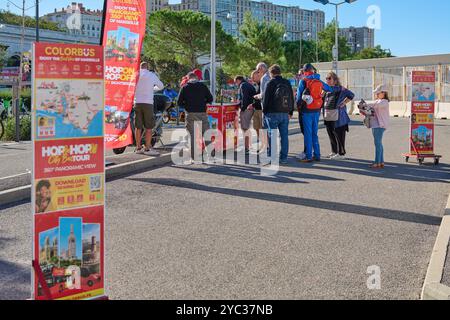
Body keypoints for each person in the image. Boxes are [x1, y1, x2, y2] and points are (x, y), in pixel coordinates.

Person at [296, 63, 334, 163]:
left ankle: (308, 156)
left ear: (304, 71)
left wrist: (298, 108)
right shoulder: (319, 81)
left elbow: (299, 97)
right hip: (317, 110)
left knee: (308, 134)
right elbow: (330, 89)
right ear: (313, 70)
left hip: (306, 110)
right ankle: (317, 155)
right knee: (314, 133)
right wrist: (320, 96)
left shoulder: (303, 81)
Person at [177, 72, 214, 164]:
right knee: (206, 134)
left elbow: (179, 102)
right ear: (196, 78)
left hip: (190, 114)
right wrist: (203, 101)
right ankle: (211, 156)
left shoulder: (185, 87)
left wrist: (187, 105)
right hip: (202, 113)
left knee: (192, 136)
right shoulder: (203, 86)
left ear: (188, 78)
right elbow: (210, 99)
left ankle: (194, 158)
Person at [262, 65, 295, 165]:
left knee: (272, 136)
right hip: (285, 113)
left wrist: (265, 111)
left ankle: (272, 158)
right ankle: (283, 158)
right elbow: (291, 98)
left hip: (272, 113)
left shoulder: (270, 83)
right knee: (284, 136)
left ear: (271, 73)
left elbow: (265, 99)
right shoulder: (287, 82)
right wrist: (291, 112)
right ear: (280, 72)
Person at [134, 61, 164, 156]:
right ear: (147, 67)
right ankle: (147, 148)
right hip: (148, 103)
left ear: (140, 67)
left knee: (137, 126)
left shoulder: (135, 74)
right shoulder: (151, 75)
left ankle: (138, 147)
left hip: (137, 102)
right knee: (149, 127)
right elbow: (161, 86)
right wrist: (152, 88)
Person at [323, 72, 355, 160]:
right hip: (328, 115)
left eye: (329, 78)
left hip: (339, 116)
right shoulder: (327, 90)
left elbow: (351, 95)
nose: (327, 80)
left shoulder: (341, 89)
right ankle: (334, 151)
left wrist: (344, 103)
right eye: (326, 78)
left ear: (335, 80)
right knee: (331, 134)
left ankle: (341, 154)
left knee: (339, 134)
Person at [366, 84, 390, 169]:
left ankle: (377, 162)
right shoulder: (379, 101)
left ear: (383, 93)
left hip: (379, 125)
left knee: (377, 144)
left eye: (378, 93)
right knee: (379, 144)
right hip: (377, 125)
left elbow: (373, 105)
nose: (376, 94)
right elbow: (372, 106)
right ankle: (381, 162)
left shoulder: (383, 101)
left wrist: (364, 104)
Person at [235, 76, 257, 154]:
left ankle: (246, 148)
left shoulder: (243, 85)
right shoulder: (249, 85)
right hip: (251, 108)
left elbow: (244, 97)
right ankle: (248, 146)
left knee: (245, 128)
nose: (236, 84)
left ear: (238, 80)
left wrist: (243, 108)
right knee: (247, 128)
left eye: (236, 81)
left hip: (247, 109)